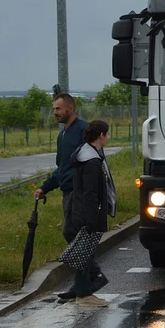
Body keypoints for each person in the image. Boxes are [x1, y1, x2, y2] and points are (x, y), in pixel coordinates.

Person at [35, 94, 106, 300]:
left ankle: (90, 279)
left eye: (58, 109)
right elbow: (62, 168)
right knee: (73, 236)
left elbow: (92, 160)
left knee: (75, 235)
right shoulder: (63, 135)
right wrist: (45, 188)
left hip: (80, 193)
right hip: (68, 192)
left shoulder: (83, 131)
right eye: (54, 109)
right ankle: (87, 280)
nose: (55, 113)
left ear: (70, 109)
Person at [68, 120, 116, 308]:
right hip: (87, 214)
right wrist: (91, 219)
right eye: (108, 133)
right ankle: (84, 295)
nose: (109, 137)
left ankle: (84, 292)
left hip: (81, 211)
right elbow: (90, 193)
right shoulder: (92, 161)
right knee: (85, 255)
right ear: (101, 135)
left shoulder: (85, 154)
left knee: (85, 254)